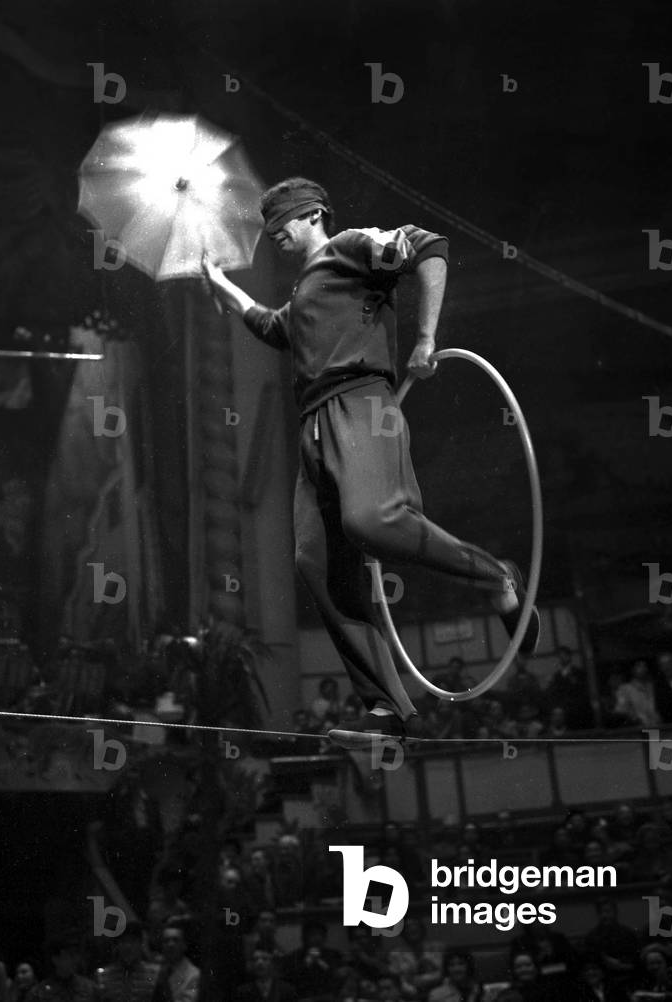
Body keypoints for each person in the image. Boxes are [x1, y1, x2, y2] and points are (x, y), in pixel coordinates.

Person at [202, 177, 539, 748]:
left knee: (370, 521)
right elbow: (274, 326)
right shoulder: (309, 290)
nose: (273, 231)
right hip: (311, 429)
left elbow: (431, 247)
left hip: (361, 408)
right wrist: (221, 286)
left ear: (313, 214)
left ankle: (496, 575)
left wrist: (426, 338)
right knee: (316, 565)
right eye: (268, 223)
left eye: (281, 219)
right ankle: (387, 708)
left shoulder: (353, 246)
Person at [96, 922, 160, 1002]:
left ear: (140, 944)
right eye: (123, 941)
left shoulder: (155, 974)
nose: (128, 947)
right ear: (117, 945)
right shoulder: (103, 976)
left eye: (132, 941)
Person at [27, 943, 95, 1002]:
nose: (75, 960)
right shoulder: (39, 992)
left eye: (76, 956)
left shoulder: (89, 988)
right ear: (56, 959)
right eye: (70, 955)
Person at [150, 925, 199, 1002]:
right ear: (161, 946)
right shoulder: (154, 967)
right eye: (166, 941)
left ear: (184, 945)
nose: (170, 945)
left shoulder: (194, 976)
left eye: (176, 940)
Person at [231, 949, 296, 1002]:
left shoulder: (286, 990)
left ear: (272, 963)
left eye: (265, 959)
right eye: (255, 960)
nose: (259, 963)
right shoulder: (243, 992)